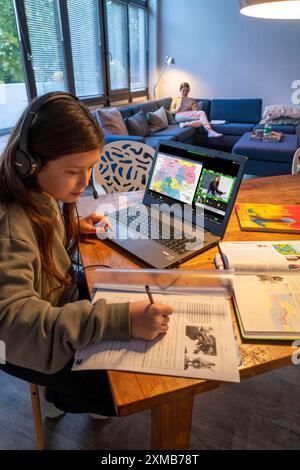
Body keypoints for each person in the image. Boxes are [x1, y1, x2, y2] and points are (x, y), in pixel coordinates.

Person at [0, 92, 173, 417]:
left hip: (57, 295)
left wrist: (74, 227)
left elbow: (37, 245)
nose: (85, 182)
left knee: (125, 286)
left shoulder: (40, 192)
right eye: (73, 171)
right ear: (29, 162)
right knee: (125, 389)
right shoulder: (10, 224)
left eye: (90, 168)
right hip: (22, 343)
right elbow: (11, 324)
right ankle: (61, 396)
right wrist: (120, 320)